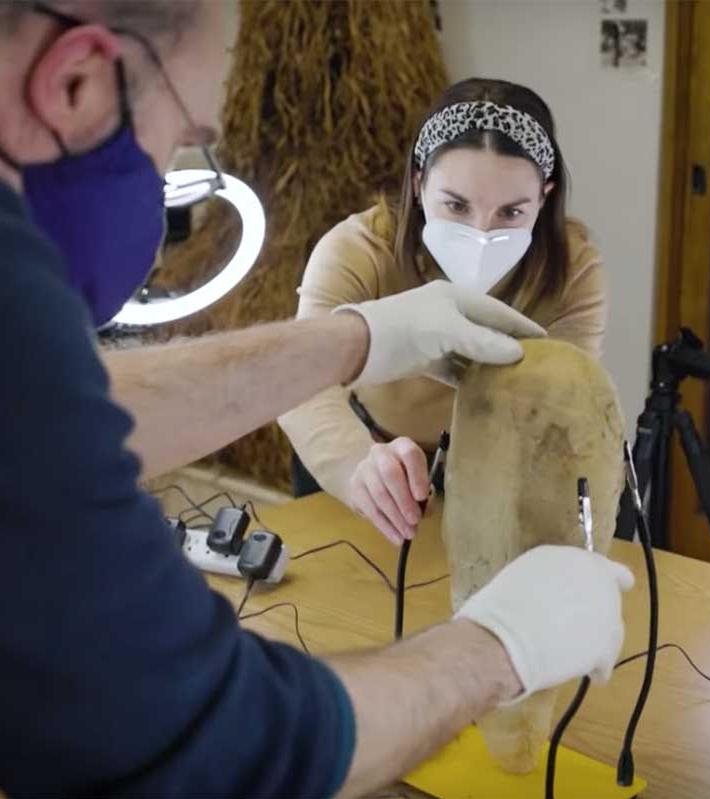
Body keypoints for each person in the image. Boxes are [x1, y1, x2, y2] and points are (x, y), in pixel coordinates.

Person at [0, 3, 634, 797]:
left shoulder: (21, 339)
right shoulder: (357, 245)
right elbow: (217, 741)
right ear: (75, 85)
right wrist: (498, 648)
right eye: (182, 138)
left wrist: (353, 341)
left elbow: (61, 407)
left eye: (510, 211)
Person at [280, 78, 608, 545]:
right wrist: (354, 462)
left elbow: (565, 400)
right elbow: (298, 377)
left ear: (545, 197)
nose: (481, 232)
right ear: (418, 183)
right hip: (366, 454)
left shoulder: (573, 269)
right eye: (455, 205)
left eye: (512, 213)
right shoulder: (358, 249)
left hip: (501, 469)